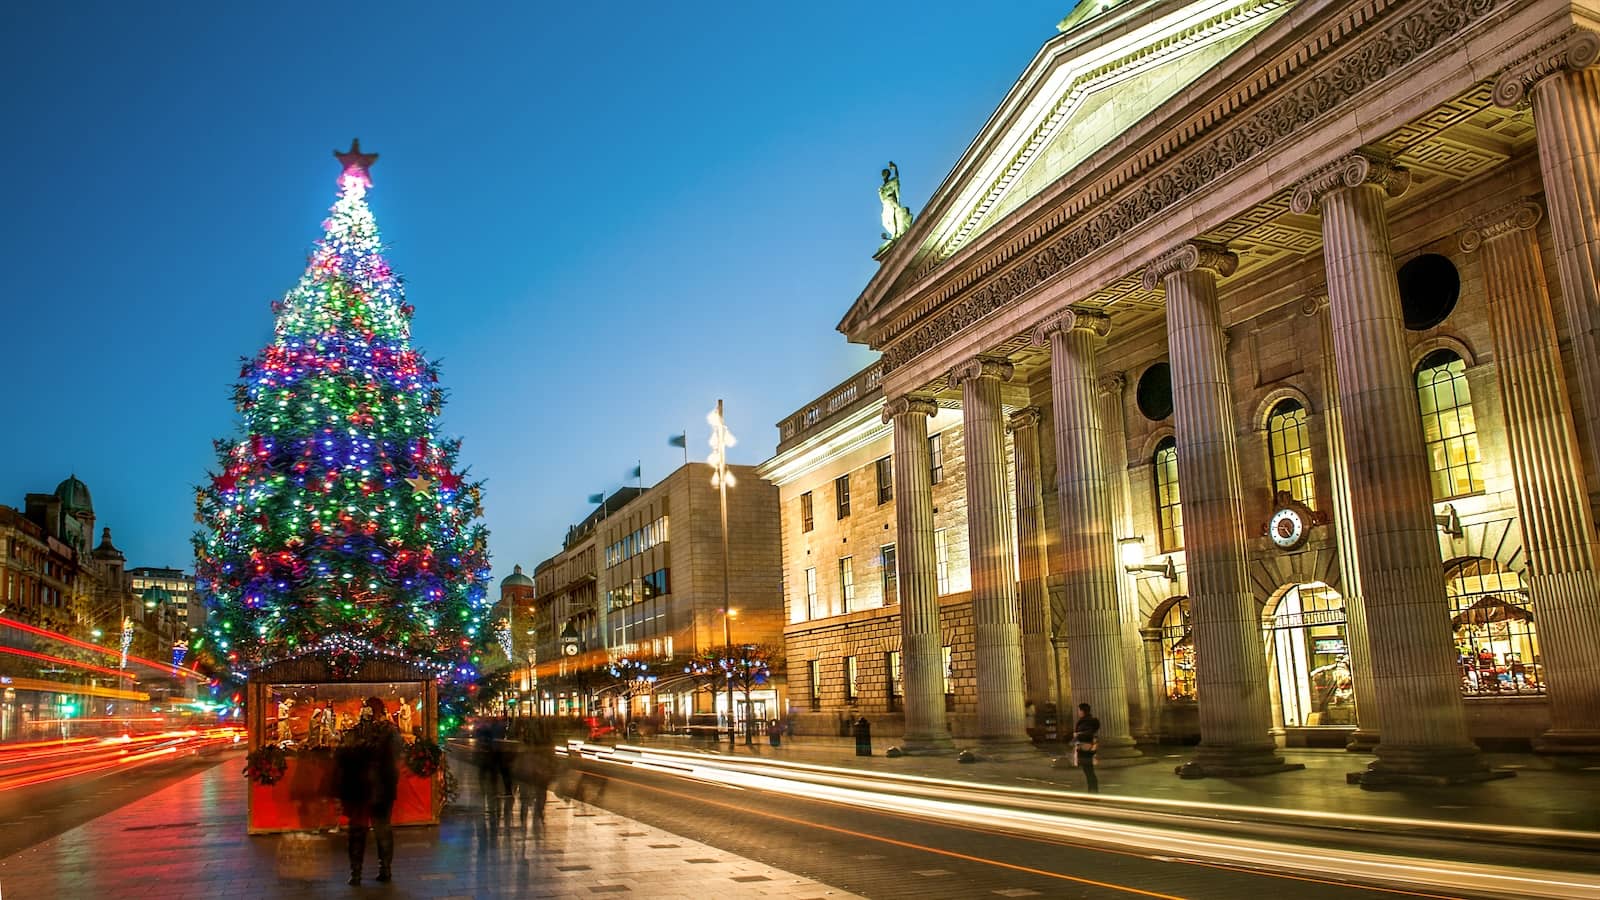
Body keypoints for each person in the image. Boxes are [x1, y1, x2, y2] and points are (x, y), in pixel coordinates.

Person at [333, 697, 404, 885]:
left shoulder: (356, 732)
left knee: (358, 830)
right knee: (382, 829)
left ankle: (356, 873)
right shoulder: (390, 731)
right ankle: (384, 869)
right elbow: (397, 752)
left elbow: (341, 755)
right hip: (380, 787)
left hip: (361, 787)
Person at [1073, 702, 1100, 794]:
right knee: (1088, 771)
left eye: (1079, 710)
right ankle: (1092, 791)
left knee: (1089, 771)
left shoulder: (1086, 721)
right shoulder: (1087, 721)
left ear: (1083, 711)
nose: (1078, 712)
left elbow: (1088, 733)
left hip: (1086, 749)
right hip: (1086, 749)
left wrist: (1078, 735)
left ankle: (1093, 792)